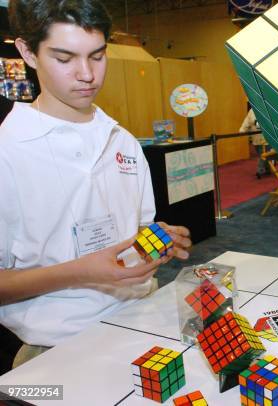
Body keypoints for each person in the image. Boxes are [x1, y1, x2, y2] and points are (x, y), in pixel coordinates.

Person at [0, 0, 192, 368]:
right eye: (65, 58)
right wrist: (83, 271)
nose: (87, 74)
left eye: (98, 56)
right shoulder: (8, 151)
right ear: (28, 52)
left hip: (140, 322)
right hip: (53, 349)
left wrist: (154, 239)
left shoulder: (123, 141)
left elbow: (133, 232)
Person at [240, 107, 269, 178]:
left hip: (265, 138)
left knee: (262, 155)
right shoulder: (252, 111)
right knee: (262, 154)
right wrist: (242, 130)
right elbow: (247, 121)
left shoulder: (267, 108)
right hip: (256, 138)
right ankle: (268, 169)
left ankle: (260, 171)